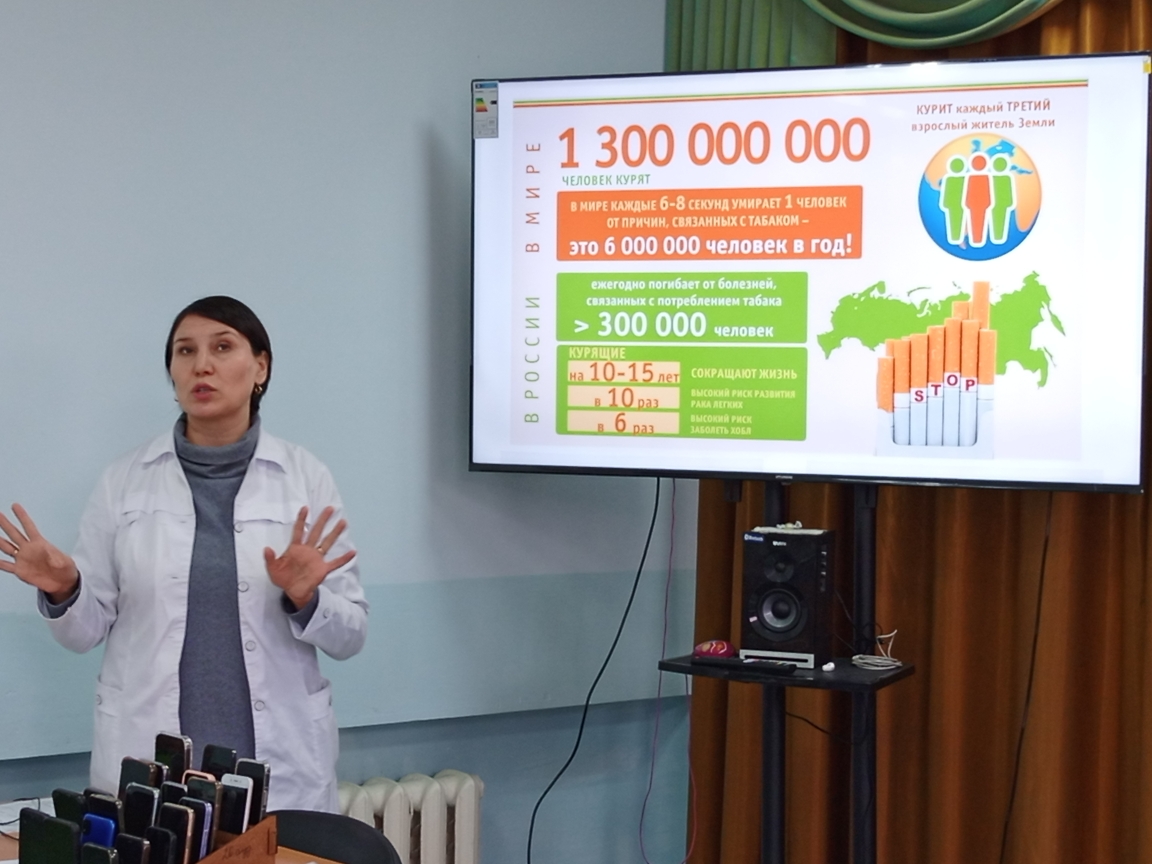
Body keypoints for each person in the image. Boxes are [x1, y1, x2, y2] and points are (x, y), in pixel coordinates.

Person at [0, 296, 368, 812]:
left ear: (261, 367)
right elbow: (82, 633)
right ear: (172, 372)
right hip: (151, 759)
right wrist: (65, 589)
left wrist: (307, 598)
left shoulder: (305, 478)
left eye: (223, 347)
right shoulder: (124, 481)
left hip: (279, 761)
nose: (202, 365)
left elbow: (351, 635)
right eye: (185, 351)